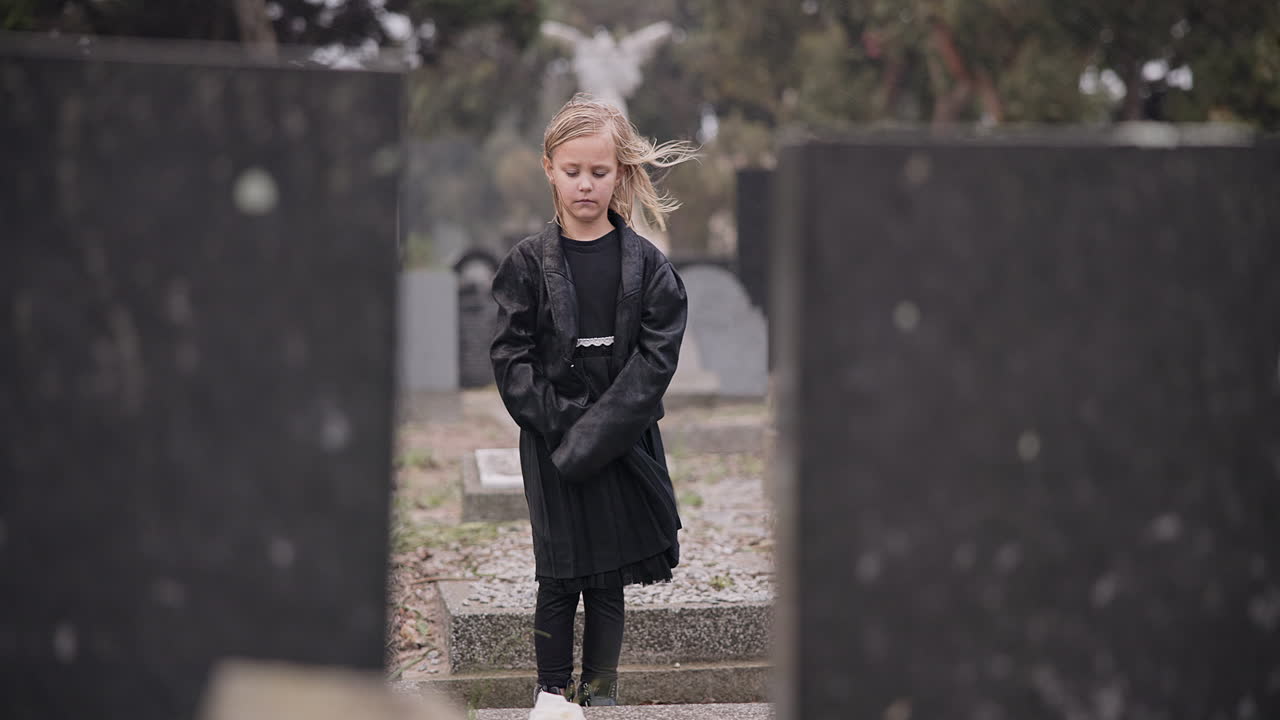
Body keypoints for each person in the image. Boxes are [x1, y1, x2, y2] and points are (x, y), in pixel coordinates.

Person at [489, 93, 696, 707]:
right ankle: (552, 696)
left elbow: (655, 361)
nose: (585, 184)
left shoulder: (650, 267)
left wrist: (601, 431)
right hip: (552, 440)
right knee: (558, 573)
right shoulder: (526, 265)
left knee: (608, 576)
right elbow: (511, 358)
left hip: (625, 440)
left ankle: (600, 695)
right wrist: (565, 423)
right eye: (573, 170)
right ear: (549, 169)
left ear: (620, 174)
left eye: (599, 172)